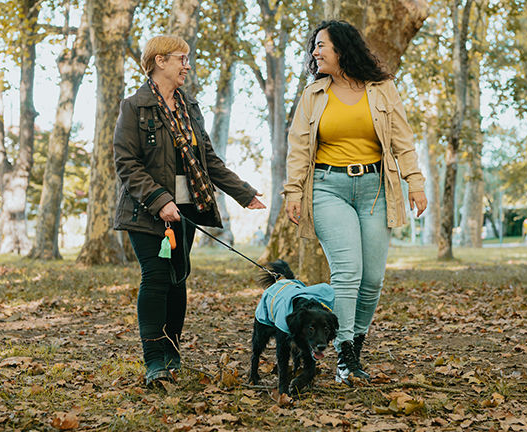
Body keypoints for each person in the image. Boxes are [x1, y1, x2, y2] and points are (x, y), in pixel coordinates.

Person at [113, 35, 266, 387]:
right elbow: (126, 163)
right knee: (155, 277)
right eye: (182, 58)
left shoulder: (189, 107)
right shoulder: (134, 106)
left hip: (187, 210)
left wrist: (243, 192)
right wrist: (159, 199)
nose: (187, 65)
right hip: (146, 210)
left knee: (178, 278)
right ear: (160, 61)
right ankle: (154, 360)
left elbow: (207, 160)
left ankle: (172, 354)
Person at [283, 20, 428, 383]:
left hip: (375, 188)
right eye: (314, 47)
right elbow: (298, 149)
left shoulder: (382, 90)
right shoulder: (313, 95)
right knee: (348, 273)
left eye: (322, 46)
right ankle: (344, 354)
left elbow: (402, 140)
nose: (315, 52)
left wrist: (415, 182)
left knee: (373, 279)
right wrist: (293, 192)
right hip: (327, 187)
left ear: (342, 49)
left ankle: (355, 346)